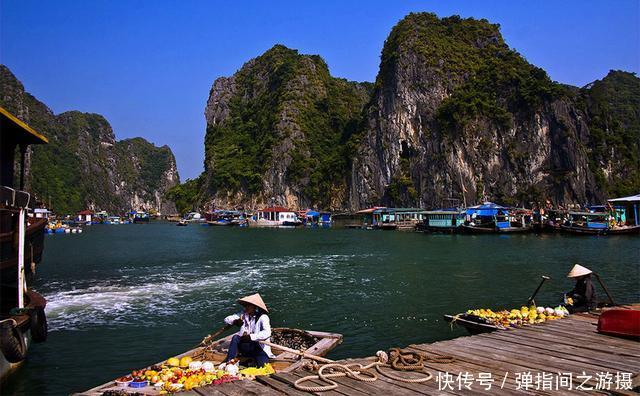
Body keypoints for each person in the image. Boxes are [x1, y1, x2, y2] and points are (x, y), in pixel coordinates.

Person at [223, 293, 274, 367]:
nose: (246, 307)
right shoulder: (243, 315)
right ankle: (229, 361)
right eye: (245, 305)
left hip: (258, 347)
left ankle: (250, 362)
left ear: (254, 307)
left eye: (249, 305)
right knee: (235, 338)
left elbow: (267, 333)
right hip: (245, 347)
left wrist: (251, 337)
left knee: (263, 366)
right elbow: (227, 319)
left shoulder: (263, 317)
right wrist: (235, 321)